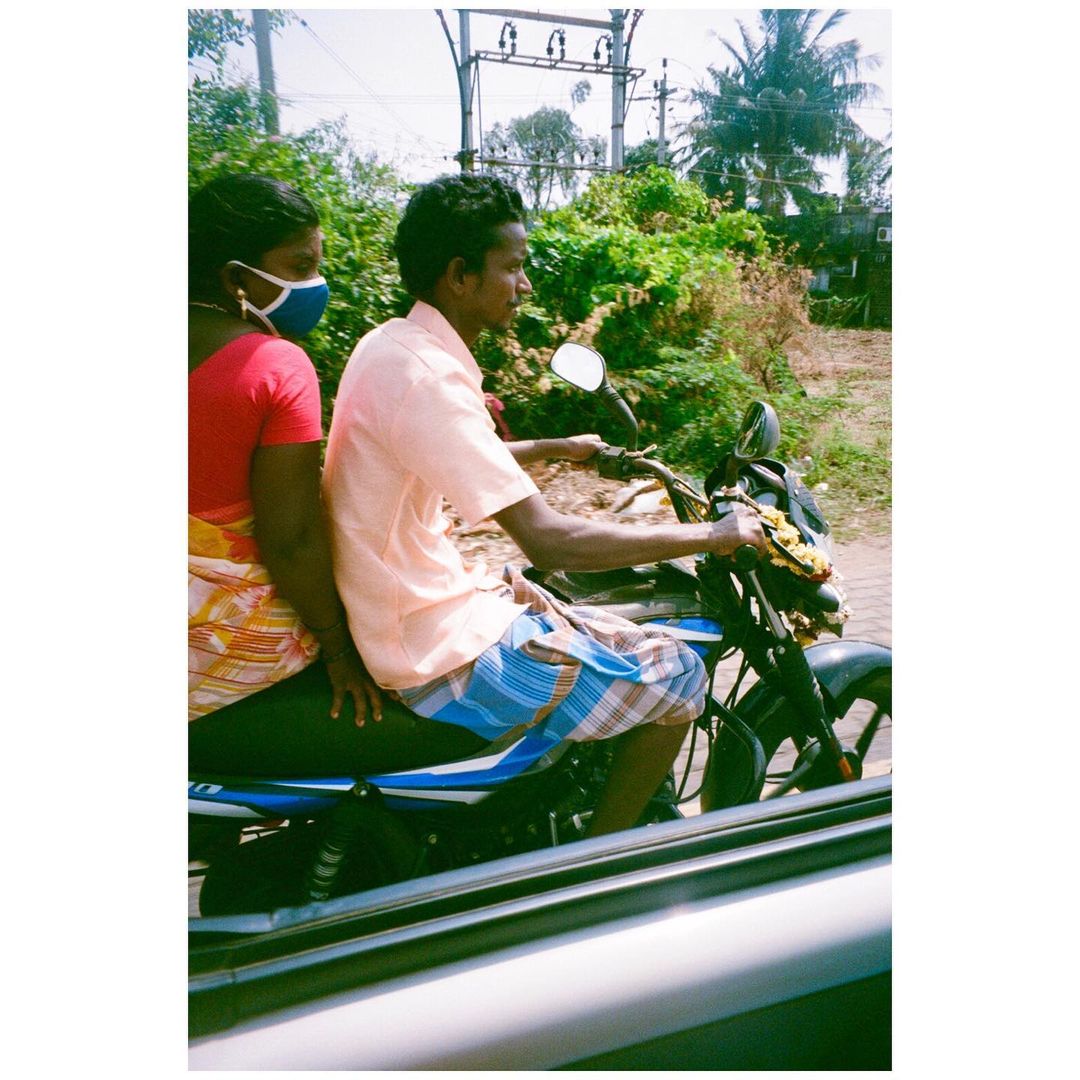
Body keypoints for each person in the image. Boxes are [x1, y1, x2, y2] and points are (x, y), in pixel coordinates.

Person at [322, 174, 767, 836]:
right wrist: (714, 534)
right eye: (513, 267)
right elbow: (549, 539)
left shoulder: (394, 345)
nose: (524, 285)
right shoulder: (430, 377)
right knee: (676, 674)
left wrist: (561, 447)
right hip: (424, 645)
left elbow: (446, 449)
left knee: (586, 615)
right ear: (459, 276)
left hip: (404, 604)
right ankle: (599, 862)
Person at [187, 173, 483, 776]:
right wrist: (340, 650)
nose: (315, 285)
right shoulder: (276, 366)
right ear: (236, 279)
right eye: (300, 267)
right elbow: (292, 539)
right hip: (223, 649)